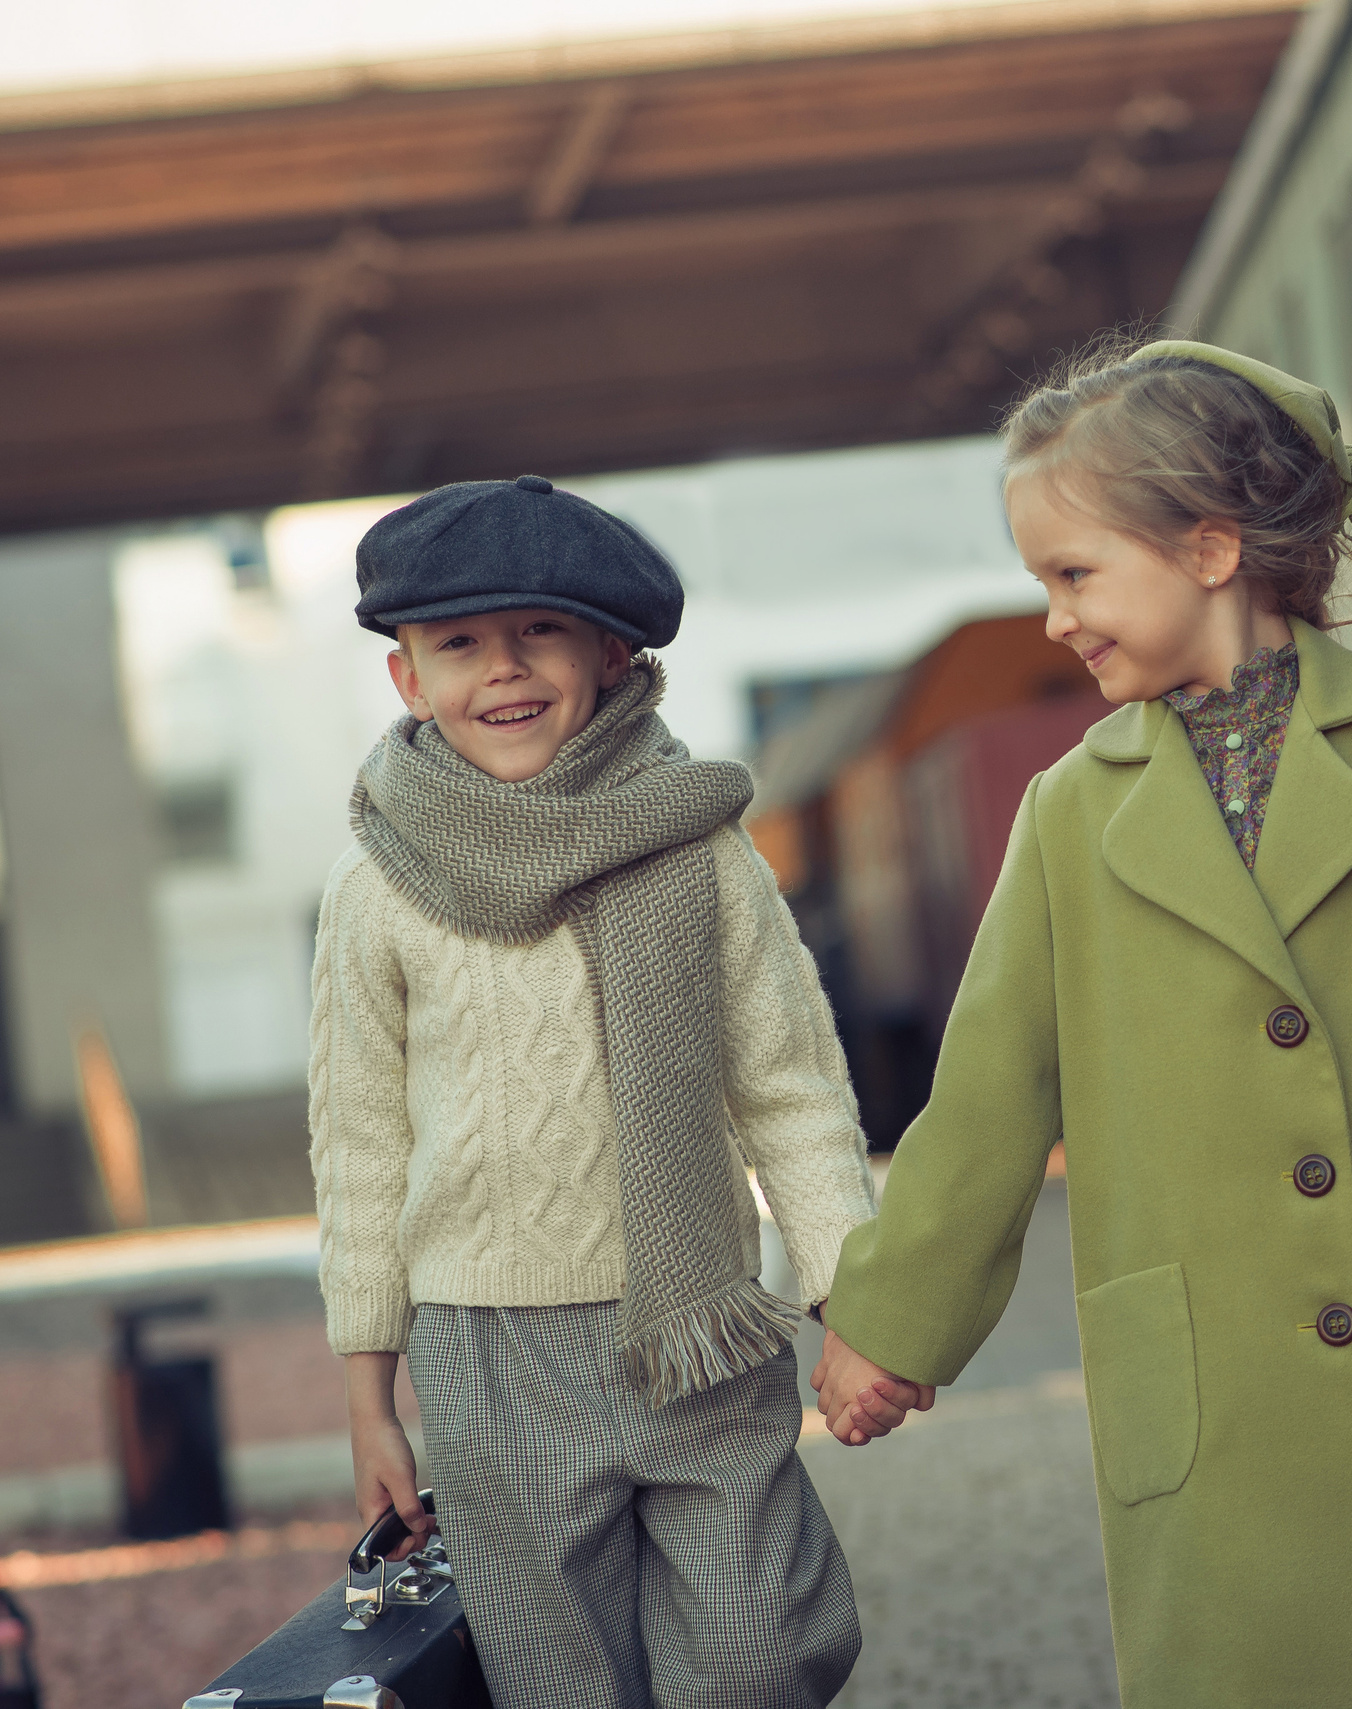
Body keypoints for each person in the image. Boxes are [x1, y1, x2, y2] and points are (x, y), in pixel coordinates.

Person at [814, 340, 1352, 1709]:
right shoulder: (1068, 814)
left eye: (1074, 574)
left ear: (1211, 549)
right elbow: (990, 1094)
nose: (1052, 619)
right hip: (1220, 1399)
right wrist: (891, 1321)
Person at [308, 474, 879, 1709]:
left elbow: (791, 1090)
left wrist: (853, 1296)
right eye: (458, 644)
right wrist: (371, 1400)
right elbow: (358, 1147)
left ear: (611, 653)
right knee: (563, 1684)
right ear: (408, 680)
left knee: (752, 1654)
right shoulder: (375, 891)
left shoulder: (705, 854)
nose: (501, 670)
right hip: (487, 1352)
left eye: (539, 632)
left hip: (698, 1324)